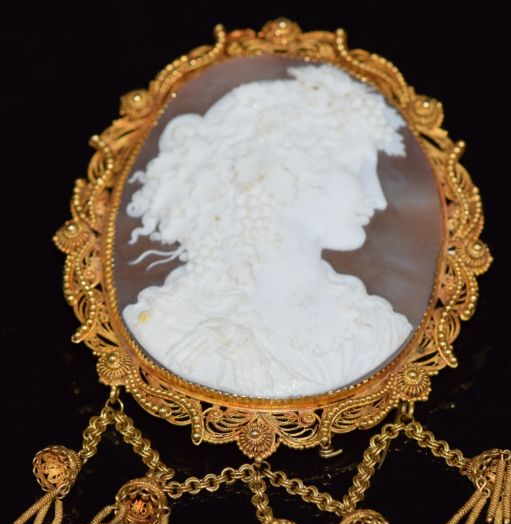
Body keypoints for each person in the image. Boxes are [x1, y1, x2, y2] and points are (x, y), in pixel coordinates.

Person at [123, 63, 412, 398]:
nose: (377, 198)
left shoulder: (375, 328)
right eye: (357, 168)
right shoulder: (170, 326)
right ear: (281, 174)